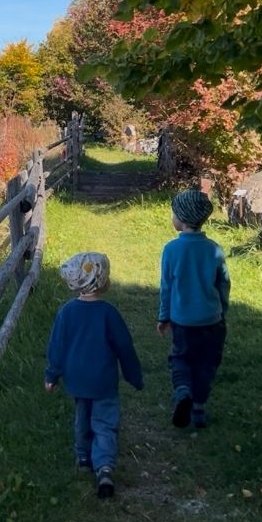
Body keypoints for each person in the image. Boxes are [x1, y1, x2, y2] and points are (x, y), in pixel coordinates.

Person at [45, 252, 143, 498]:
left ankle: (83, 456)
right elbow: (125, 347)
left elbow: (56, 348)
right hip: (104, 381)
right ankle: (105, 467)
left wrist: (52, 375)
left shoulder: (66, 313)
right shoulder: (109, 314)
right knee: (105, 423)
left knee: (82, 418)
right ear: (103, 281)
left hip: (77, 379)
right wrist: (133, 375)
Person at [157, 190, 230, 429]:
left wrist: (164, 317)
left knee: (181, 358)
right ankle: (198, 409)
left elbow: (166, 287)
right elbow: (223, 283)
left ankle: (183, 392)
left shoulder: (171, 250)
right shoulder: (214, 249)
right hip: (211, 320)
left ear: (183, 219)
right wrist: (222, 310)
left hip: (183, 321)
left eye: (174, 214)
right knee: (206, 363)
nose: (172, 218)